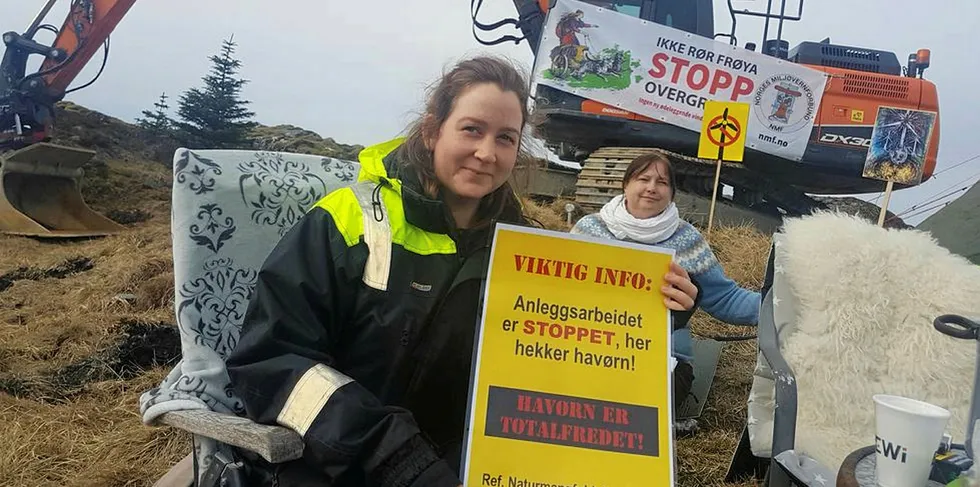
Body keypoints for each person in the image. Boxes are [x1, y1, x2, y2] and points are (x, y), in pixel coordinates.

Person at [224, 56, 699, 487]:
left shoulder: (520, 248)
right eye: (471, 129)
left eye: (505, 138)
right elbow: (271, 361)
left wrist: (656, 310)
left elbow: (573, 342)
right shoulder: (347, 223)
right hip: (330, 463)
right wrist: (395, 456)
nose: (487, 153)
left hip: (463, 463)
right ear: (433, 131)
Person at [570, 152, 761, 435]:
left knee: (639, 396)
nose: (651, 187)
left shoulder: (687, 240)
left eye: (662, 182)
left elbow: (726, 298)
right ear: (625, 185)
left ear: (671, 194)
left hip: (665, 360)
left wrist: (781, 306)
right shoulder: (589, 230)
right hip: (587, 350)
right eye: (643, 179)